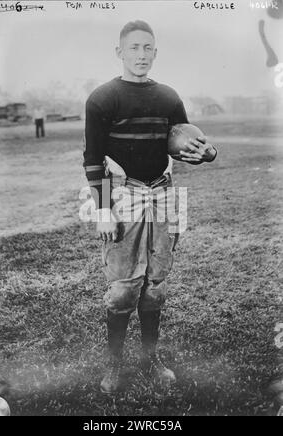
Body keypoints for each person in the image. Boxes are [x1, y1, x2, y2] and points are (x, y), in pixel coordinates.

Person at [83, 20, 217, 394]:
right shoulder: (102, 98)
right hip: (123, 195)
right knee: (124, 288)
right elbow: (93, 158)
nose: (141, 56)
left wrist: (209, 153)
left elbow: (189, 144)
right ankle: (114, 364)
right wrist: (103, 208)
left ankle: (150, 358)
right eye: (134, 48)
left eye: (148, 48)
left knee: (155, 286)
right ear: (120, 52)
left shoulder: (169, 97)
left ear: (155, 52)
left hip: (163, 192)